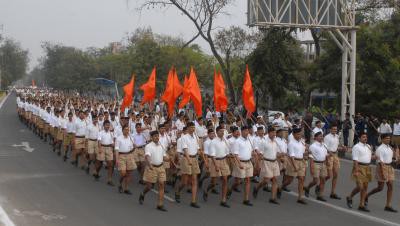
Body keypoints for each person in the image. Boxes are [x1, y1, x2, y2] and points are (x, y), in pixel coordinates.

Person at [366, 133, 398, 212]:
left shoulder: (389, 148)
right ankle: (367, 195)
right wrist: (383, 173)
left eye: (389, 138)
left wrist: (396, 158)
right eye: (386, 138)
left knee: (390, 186)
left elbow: (391, 159)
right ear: (382, 139)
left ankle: (388, 205)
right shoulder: (380, 149)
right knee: (380, 188)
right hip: (381, 168)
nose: (388, 139)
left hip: (389, 167)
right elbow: (380, 162)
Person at [139, 131, 169, 211]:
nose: (157, 137)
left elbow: (164, 157)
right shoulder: (148, 146)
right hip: (151, 167)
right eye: (155, 136)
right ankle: (143, 193)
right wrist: (149, 164)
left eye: (157, 136)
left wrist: (169, 158)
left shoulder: (161, 146)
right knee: (149, 186)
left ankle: (160, 204)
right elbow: (147, 156)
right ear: (151, 138)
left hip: (161, 167)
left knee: (162, 184)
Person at [175, 122, 201, 208]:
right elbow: (185, 149)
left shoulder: (195, 137)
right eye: (191, 127)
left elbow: (197, 149)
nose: (193, 129)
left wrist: (201, 155)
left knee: (194, 180)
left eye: (194, 127)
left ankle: (193, 201)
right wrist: (189, 160)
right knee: (185, 182)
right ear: (188, 128)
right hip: (186, 159)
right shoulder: (184, 138)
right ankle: (178, 190)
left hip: (194, 159)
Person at [278, 127, 307, 204]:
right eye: (298, 134)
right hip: (293, 162)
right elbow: (292, 156)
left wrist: (307, 153)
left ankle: (300, 197)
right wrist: (295, 167)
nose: (299, 135)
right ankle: (281, 187)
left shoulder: (301, 142)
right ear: (294, 134)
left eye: (300, 134)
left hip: (301, 161)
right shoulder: (291, 143)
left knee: (301, 179)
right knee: (289, 180)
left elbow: (302, 152)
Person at [253, 126, 280, 204]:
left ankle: (272, 198)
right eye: (273, 132)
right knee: (266, 180)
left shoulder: (275, 142)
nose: (275, 134)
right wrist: (258, 163)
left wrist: (279, 156)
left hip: (274, 162)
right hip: (266, 162)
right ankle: (257, 188)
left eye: (275, 133)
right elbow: (260, 153)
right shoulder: (264, 142)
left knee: (275, 180)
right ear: (269, 133)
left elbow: (276, 152)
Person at [204, 126, 230, 207]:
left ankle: (223, 200)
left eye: (223, 131)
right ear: (217, 132)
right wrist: (215, 165)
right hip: (216, 161)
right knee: (214, 182)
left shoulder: (225, 140)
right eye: (221, 131)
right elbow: (212, 155)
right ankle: (207, 190)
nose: (222, 133)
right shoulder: (213, 142)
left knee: (225, 180)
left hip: (224, 160)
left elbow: (227, 153)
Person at [346, 132, 372, 212]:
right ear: (360, 138)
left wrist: (374, 157)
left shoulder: (368, 146)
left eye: (366, 137)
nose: (365, 138)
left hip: (367, 167)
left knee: (365, 187)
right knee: (360, 187)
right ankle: (350, 197)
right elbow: (355, 160)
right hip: (359, 167)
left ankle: (361, 204)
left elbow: (368, 156)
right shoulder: (356, 147)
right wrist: (356, 170)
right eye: (363, 137)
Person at [228, 126, 254, 206]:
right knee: (238, 181)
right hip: (240, 162)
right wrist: (239, 164)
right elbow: (236, 154)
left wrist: (254, 156)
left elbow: (250, 151)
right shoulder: (237, 141)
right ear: (242, 132)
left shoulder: (249, 140)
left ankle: (246, 199)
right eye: (245, 131)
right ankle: (230, 190)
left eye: (248, 131)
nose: (247, 132)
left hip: (248, 162)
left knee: (248, 180)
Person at [305, 132, 328, 201]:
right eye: (320, 136)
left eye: (322, 136)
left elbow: (326, 155)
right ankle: (307, 187)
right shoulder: (313, 146)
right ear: (315, 137)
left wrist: (327, 162)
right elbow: (311, 157)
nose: (321, 137)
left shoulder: (324, 145)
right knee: (315, 181)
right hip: (315, 163)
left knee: (323, 180)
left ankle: (320, 195)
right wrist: (311, 168)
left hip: (323, 163)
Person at [115, 124, 137, 194]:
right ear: (122, 130)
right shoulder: (118, 138)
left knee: (129, 174)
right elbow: (116, 150)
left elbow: (132, 149)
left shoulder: (131, 138)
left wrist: (134, 147)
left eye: (128, 130)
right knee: (123, 173)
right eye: (125, 129)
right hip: (121, 156)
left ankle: (126, 188)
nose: (127, 131)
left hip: (129, 155)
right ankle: (120, 183)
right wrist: (117, 159)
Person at [323, 125, 342, 199]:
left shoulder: (337, 136)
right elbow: (324, 147)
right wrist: (328, 154)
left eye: (336, 129)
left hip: (335, 155)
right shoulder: (327, 137)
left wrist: (341, 147)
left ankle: (333, 192)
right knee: (329, 175)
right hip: (329, 156)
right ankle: (320, 185)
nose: (335, 130)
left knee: (336, 174)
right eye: (333, 129)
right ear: (330, 129)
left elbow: (336, 146)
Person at [95, 120, 115, 186]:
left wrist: (113, 146)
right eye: (106, 125)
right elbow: (99, 141)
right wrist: (100, 148)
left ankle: (109, 179)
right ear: (104, 126)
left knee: (110, 164)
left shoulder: (111, 133)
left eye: (108, 125)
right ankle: (97, 173)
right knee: (100, 163)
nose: (107, 126)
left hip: (109, 148)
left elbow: (112, 142)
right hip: (102, 148)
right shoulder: (100, 132)